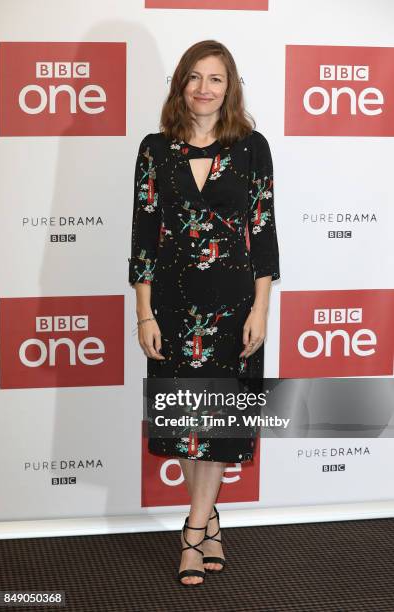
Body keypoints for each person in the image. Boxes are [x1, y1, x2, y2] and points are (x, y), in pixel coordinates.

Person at [128, 39, 280, 586]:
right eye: (194, 77)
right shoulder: (154, 149)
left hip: (233, 304)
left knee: (212, 422)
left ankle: (192, 530)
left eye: (215, 79)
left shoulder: (251, 147)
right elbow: (144, 233)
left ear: (229, 87)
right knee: (185, 422)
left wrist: (261, 308)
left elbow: (262, 233)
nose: (203, 89)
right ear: (179, 84)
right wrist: (144, 314)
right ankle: (209, 519)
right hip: (171, 305)